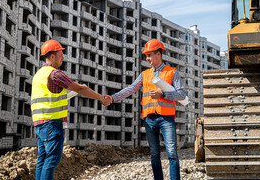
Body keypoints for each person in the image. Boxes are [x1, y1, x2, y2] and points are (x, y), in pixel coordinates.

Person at [106, 39, 186, 180]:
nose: (147, 59)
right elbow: (130, 89)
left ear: (158, 54)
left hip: (167, 118)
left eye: (149, 55)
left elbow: (181, 94)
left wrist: (163, 94)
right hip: (150, 119)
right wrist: (113, 98)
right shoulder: (145, 74)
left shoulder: (172, 73)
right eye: (146, 56)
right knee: (154, 154)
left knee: (172, 153)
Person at [31, 40, 110, 180]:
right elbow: (80, 88)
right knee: (51, 160)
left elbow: (47, 97)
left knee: (42, 159)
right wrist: (101, 98)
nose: (63, 57)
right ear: (52, 56)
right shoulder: (55, 74)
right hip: (51, 123)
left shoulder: (38, 75)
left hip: (39, 124)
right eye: (60, 54)